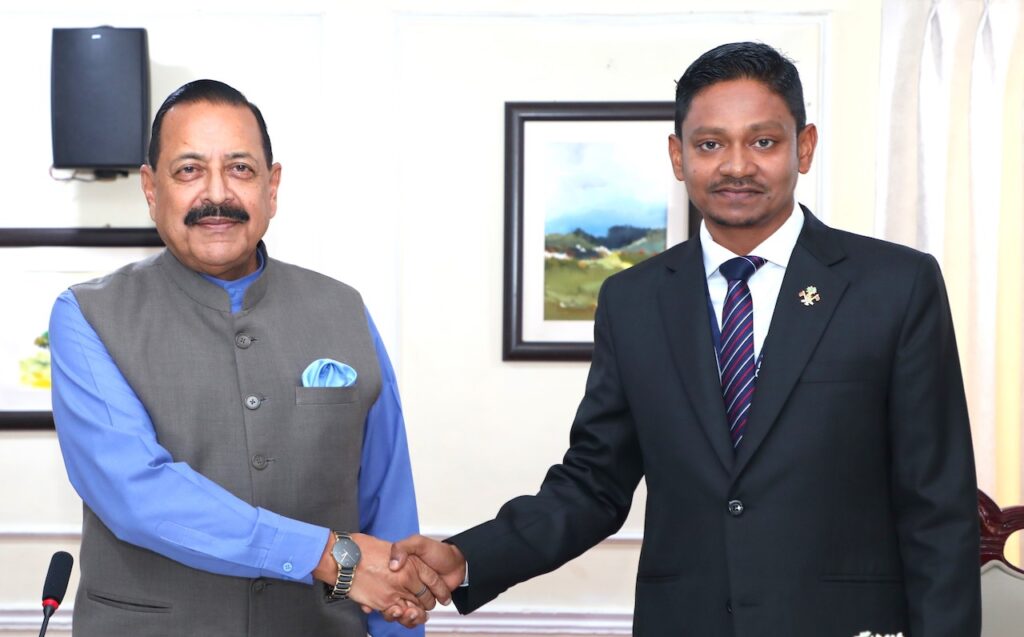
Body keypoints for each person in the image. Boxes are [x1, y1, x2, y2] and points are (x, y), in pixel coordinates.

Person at [387, 42, 982, 636]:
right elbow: (594, 483)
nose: (737, 165)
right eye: (710, 144)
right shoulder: (634, 300)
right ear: (678, 155)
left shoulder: (895, 286)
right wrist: (469, 559)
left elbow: (937, 505)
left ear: (805, 147)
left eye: (764, 141)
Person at [49, 80, 445, 636]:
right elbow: (137, 492)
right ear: (149, 187)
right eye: (188, 170)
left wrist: (400, 623)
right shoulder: (87, 316)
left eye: (240, 168)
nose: (218, 194)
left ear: (272, 186)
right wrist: (328, 554)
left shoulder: (344, 308)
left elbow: (388, 501)